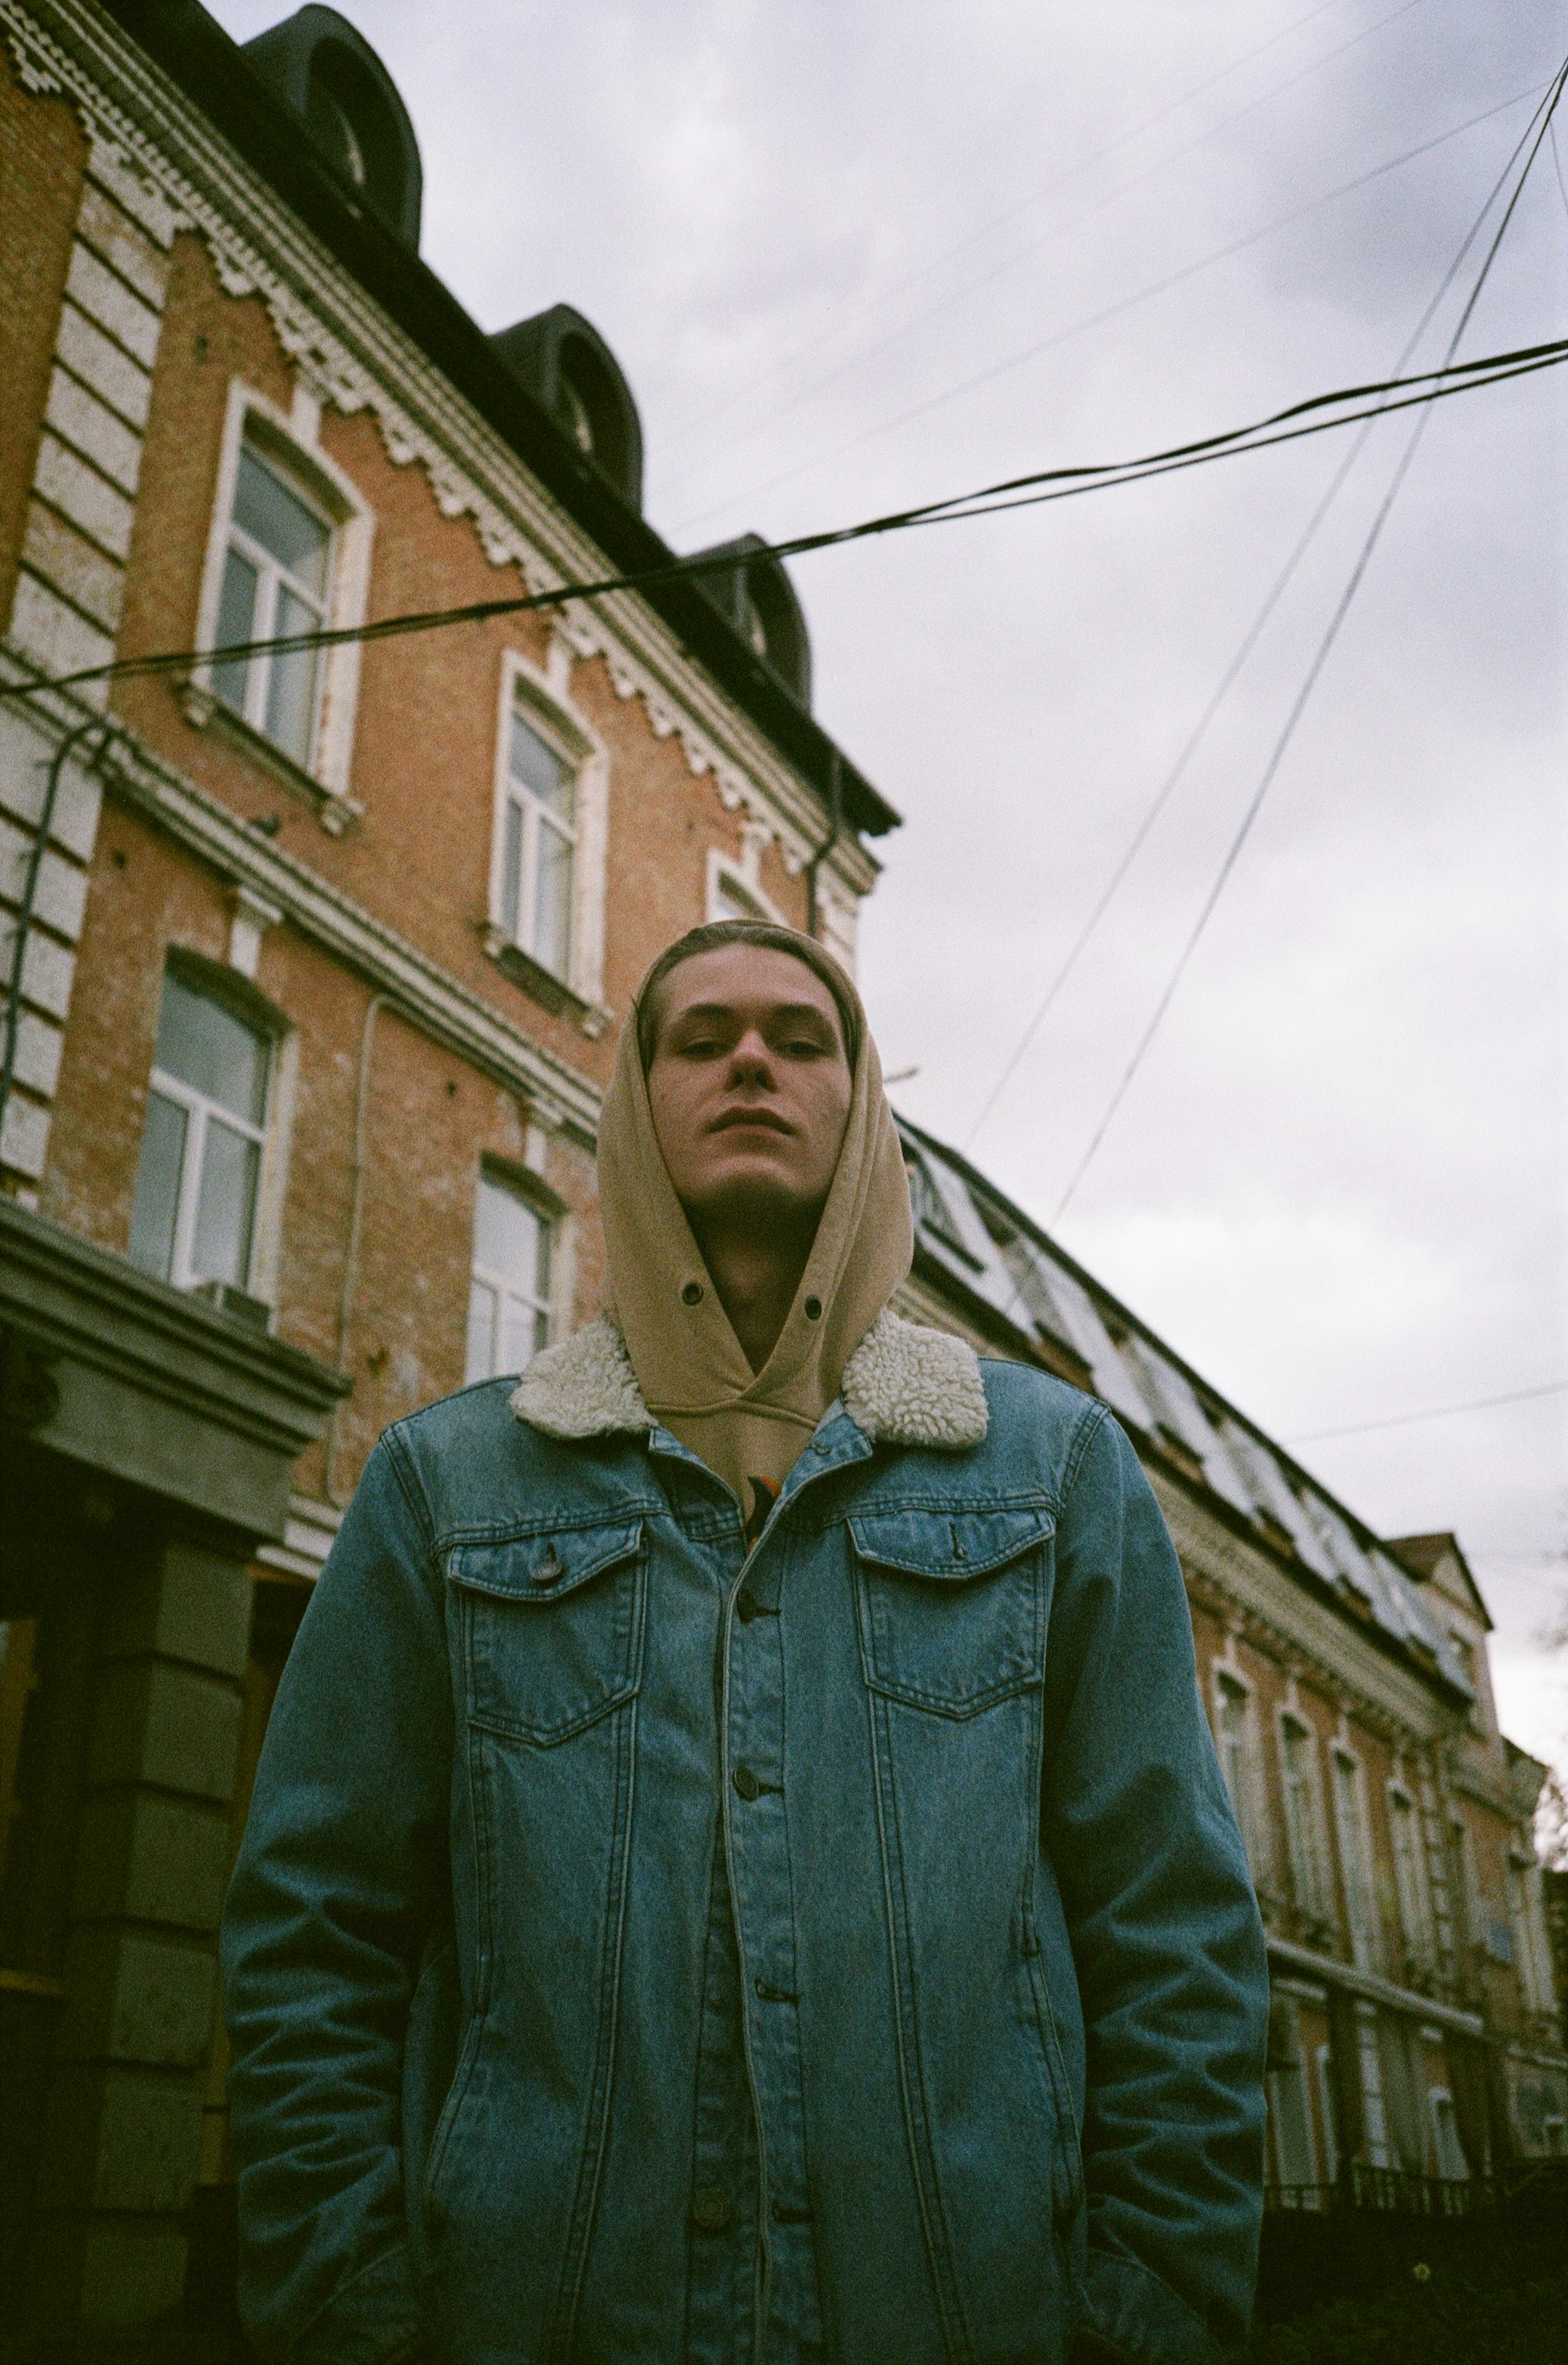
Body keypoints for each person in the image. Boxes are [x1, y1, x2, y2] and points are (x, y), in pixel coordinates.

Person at [222, 919, 1269, 2365]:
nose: (753, 1063)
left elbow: (1175, 1931)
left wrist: (1146, 2312)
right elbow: (311, 1937)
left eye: (802, 1036)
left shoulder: (1053, 1470)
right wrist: (356, 2313)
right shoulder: (448, 1488)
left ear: (863, 1106)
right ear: (639, 1109)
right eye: (701, 1040)